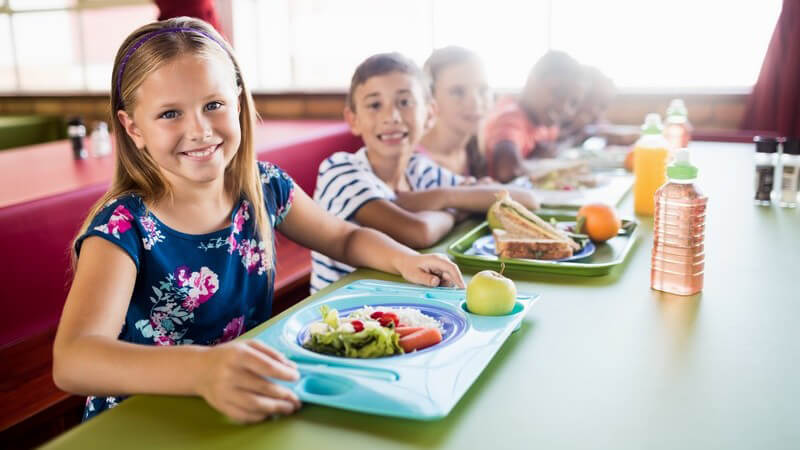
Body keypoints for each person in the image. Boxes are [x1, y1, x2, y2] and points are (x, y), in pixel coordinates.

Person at [52, 18, 465, 424]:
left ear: (237, 99)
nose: (199, 129)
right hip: (145, 420)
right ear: (133, 127)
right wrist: (203, 369)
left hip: (245, 400)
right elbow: (74, 358)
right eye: (170, 114)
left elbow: (344, 237)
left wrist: (404, 259)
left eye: (213, 105)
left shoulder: (264, 186)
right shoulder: (123, 226)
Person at [311, 52, 538, 292]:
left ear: (429, 114)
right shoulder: (339, 170)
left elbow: (525, 199)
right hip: (343, 313)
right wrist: (455, 206)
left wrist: (443, 197)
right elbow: (418, 232)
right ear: (353, 119)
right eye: (375, 105)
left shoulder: (418, 169)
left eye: (405, 102)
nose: (391, 117)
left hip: (404, 301)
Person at [481, 50, 586, 182]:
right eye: (558, 93)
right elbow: (506, 170)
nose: (563, 108)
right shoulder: (510, 118)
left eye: (573, 103)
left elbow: (554, 146)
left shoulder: (544, 122)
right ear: (532, 81)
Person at [420, 46, 492, 178]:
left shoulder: (476, 151)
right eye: (457, 92)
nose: (476, 102)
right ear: (431, 98)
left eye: (483, 90)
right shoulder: (414, 163)